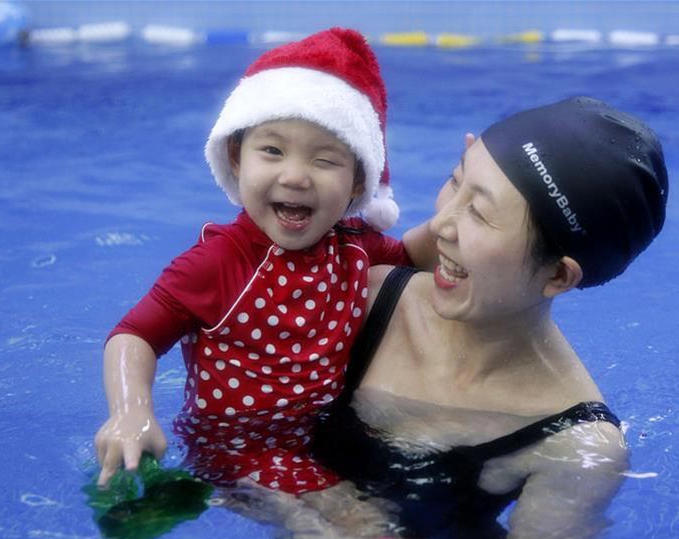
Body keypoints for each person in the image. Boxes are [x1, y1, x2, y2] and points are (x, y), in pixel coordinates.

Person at [225, 96, 669, 539]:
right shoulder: (365, 299)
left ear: (557, 275)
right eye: (456, 181)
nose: (441, 225)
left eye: (479, 214)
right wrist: (292, 504)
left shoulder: (572, 443)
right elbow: (237, 420)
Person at [94, 28, 428, 494]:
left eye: (325, 160)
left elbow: (417, 258)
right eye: (271, 150)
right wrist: (131, 411)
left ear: (358, 183)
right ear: (236, 157)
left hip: (323, 432)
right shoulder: (218, 262)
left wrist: (470, 199)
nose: (294, 176)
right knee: (353, 527)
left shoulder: (354, 245)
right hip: (235, 448)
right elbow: (134, 335)